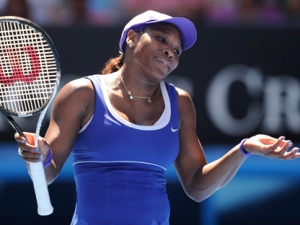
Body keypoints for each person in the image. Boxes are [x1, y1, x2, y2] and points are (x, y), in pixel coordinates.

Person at [15, 10, 299, 225]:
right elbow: (48, 172)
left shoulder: (180, 103)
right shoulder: (81, 93)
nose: (170, 52)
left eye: (177, 50)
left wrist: (244, 149)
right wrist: (39, 156)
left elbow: (197, 186)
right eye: (162, 38)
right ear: (131, 37)